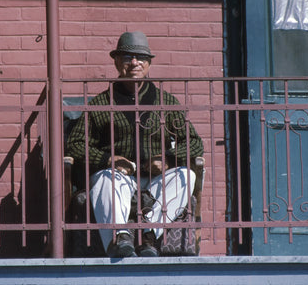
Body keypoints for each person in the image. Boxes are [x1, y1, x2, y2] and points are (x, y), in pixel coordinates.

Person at [65, 31, 204, 257]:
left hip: (156, 178)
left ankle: (149, 236)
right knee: (106, 178)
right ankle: (121, 238)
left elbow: (194, 143)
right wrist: (108, 160)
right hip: (117, 177)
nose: (135, 63)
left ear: (149, 63)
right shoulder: (101, 103)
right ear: (117, 61)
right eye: (128, 57)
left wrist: (167, 161)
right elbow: (75, 144)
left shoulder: (166, 101)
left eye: (141, 58)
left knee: (187, 175)